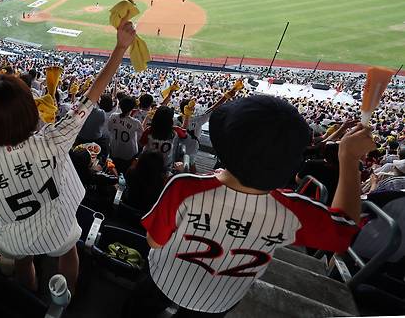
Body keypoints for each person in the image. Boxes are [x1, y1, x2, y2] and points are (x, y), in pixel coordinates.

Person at [125, 95, 374, 318]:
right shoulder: (294, 212)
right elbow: (344, 230)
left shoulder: (184, 186)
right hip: (219, 300)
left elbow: (155, 242)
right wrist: (349, 159)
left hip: (163, 278)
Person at [0, 21, 136, 293]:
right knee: (68, 253)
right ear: (31, 112)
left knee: (22, 261)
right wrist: (120, 48)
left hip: (16, 237)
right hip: (59, 227)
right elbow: (91, 97)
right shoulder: (54, 137)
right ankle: (66, 297)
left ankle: (28, 296)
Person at [140, 106, 188, 171]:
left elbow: (141, 143)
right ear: (171, 119)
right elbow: (184, 134)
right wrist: (187, 116)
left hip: (146, 162)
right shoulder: (176, 130)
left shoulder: (149, 130)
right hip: (165, 165)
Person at [108, 96, 144, 174]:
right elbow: (142, 137)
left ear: (120, 106)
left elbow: (109, 129)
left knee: (114, 169)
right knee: (126, 171)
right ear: (132, 108)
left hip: (115, 149)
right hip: (129, 153)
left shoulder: (113, 116)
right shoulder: (136, 122)